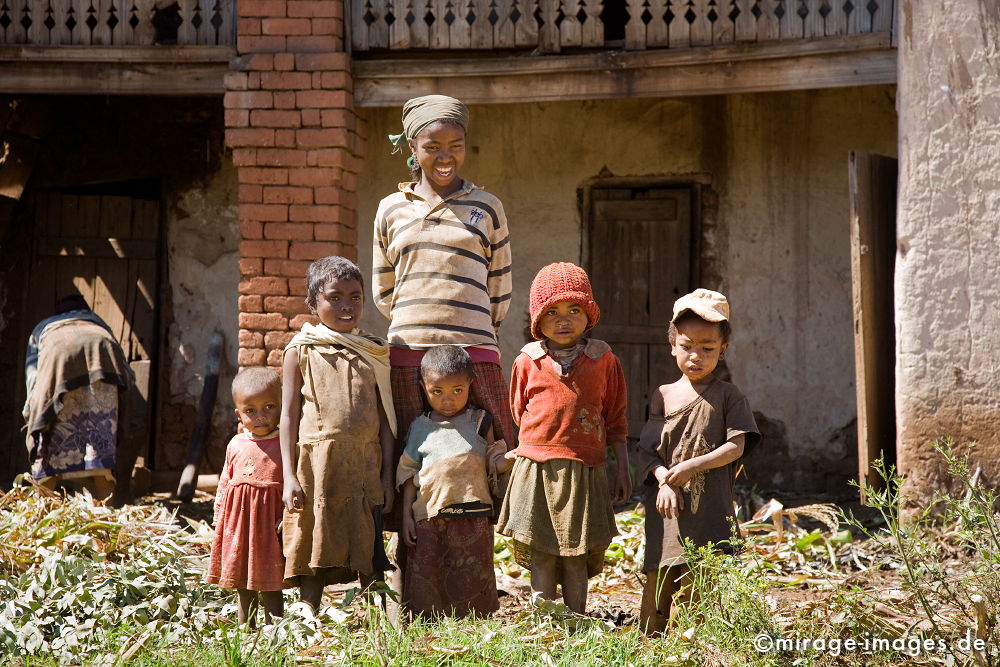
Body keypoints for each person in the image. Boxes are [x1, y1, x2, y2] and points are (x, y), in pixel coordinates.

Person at [372, 94, 516, 591]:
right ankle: (416, 582)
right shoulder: (391, 208)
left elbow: (500, 286)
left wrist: (472, 331)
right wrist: (421, 326)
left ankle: (474, 581)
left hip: (474, 353)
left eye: (455, 145)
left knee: (485, 458)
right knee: (416, 464)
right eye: (432, 145)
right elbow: (384, 289)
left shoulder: (487, 207)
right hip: (410, 354)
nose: (445, 155)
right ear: (412, 146)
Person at [497, 262, 631, 614]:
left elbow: (615, 418)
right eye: (552, 312)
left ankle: (575, 622)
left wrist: (623, 468)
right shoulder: (528, 360)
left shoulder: (604, 360)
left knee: (575, 555)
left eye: (574, 309)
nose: (564, 319)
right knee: (542, 552)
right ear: (537, 320)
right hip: (537, 470)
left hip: (584, 469)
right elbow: (518, 411)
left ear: (589, 315)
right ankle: (547, 624)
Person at [634, 289, 761, 635]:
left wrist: (691, 466)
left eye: (707, 349)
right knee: (660, 572)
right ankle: (652, 642)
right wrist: (663, 479)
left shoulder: (729, 396)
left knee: (700, 574)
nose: (696, 356)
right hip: (667, 505)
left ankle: (695, 642)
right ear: (673, 343)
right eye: (688, 346)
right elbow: (648, 451)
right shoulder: (662, 395)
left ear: (723, 350)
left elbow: (735, 447)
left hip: (709, 504)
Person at [280, 256, 397, 611]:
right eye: (335, 297)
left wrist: (388, 475)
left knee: (368, 543)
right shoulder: (300, 350)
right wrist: (288, 476)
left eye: (355, 297)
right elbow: (287, 415)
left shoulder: (375, 351)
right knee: (313, 537)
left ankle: (379, 619)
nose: (346, 305)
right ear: (313, 303)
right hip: (316, 467)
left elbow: (387, 419)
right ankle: (307, 615)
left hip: (365, 463)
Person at [396, 345, 511, 618]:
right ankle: (430, 627)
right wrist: (406, 518)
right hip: (428, 516)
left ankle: (472, 624)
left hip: (473, 516)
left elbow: (493, 461)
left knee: (472, 576)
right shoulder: (419, 427)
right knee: (429, 575)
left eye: (457, 390)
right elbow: (410, 474)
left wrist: (509, 461)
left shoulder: (480, 421)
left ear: (471, 385)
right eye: (437, 391)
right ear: (423, 387)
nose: (448, 400)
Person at [22, 293, 133, 502]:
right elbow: (126, 374)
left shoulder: (44, 327)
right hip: (103, 377)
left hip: (59, 378)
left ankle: (41, 507)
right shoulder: (99, 324)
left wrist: (34, 415)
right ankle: (105, 514)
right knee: (99, 457)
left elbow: (33, 378)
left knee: (48, 452)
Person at [206, 367, 286, 625]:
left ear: (283, 405)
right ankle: (246, 630)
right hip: (239, 525)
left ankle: (276, 629)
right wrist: (219, 518)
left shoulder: (286, 443)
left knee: (272, 579)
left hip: (271, 526)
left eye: (270, 407)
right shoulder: (236, 444)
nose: (260, 417)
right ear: (238, 414)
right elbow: (225, 482)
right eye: (250, 411)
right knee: (243, 580)